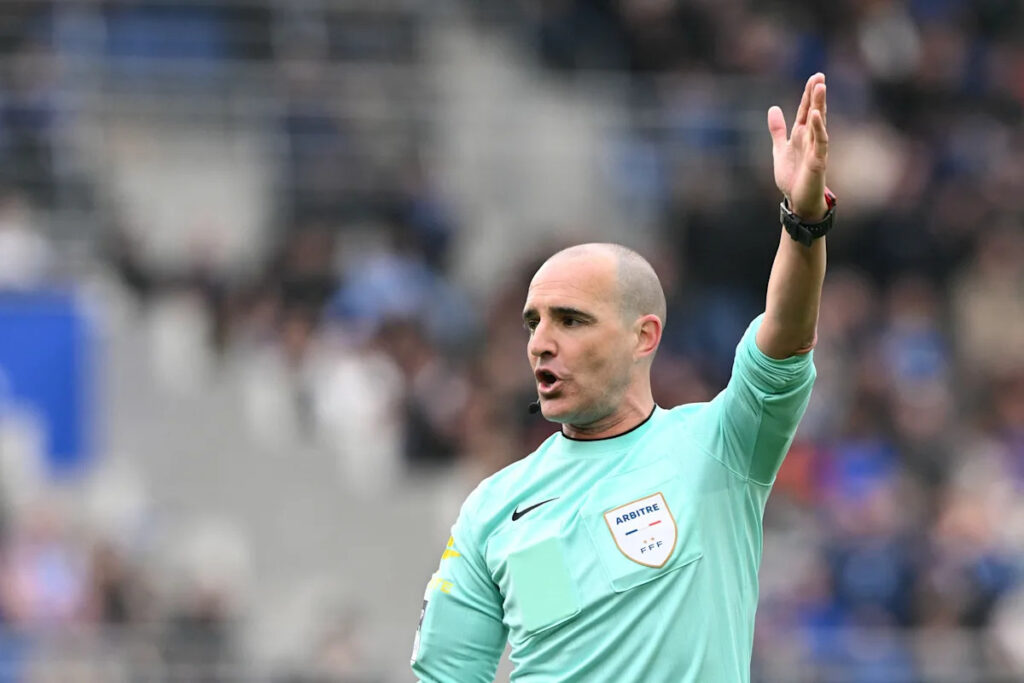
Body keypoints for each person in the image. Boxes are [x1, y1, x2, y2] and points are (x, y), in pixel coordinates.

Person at [411, 73, 834, 682]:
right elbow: (446, 673)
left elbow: (786, 338)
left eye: (571, 320)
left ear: (644, 336)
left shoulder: (721, 448)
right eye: (533, 322)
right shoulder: (498, 509)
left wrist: (803, 222)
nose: (540, 342)